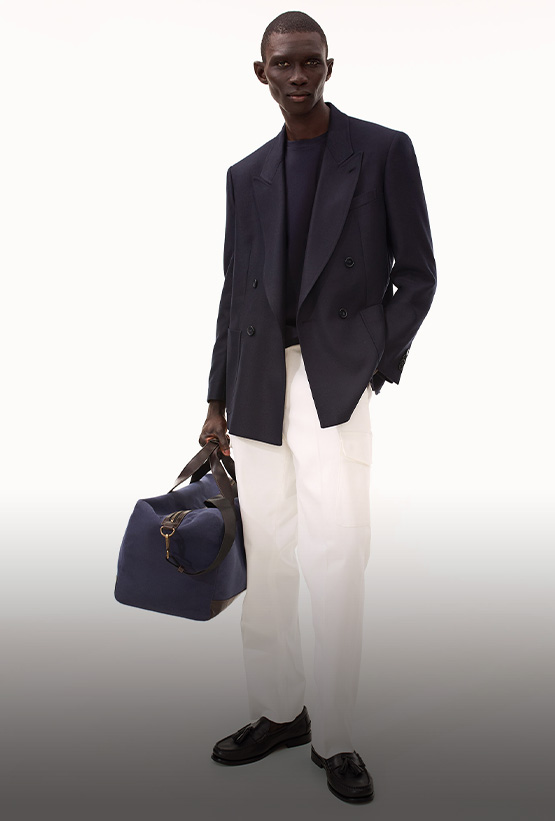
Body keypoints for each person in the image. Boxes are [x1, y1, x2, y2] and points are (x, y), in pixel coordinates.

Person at [199, 10, 436, 804]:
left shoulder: (383, 151)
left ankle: (335, 737)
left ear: (329, 67)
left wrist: (372, 362)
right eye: (282, 64)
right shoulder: (245, 175)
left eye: (310, 62)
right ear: (260, 72)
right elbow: (235, 291)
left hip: (333, 383)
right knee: (266, 556)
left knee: (336, 557)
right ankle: (280, 711)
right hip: (256, 383)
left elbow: (419, 273)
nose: (297, 76)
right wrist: (215, 397)